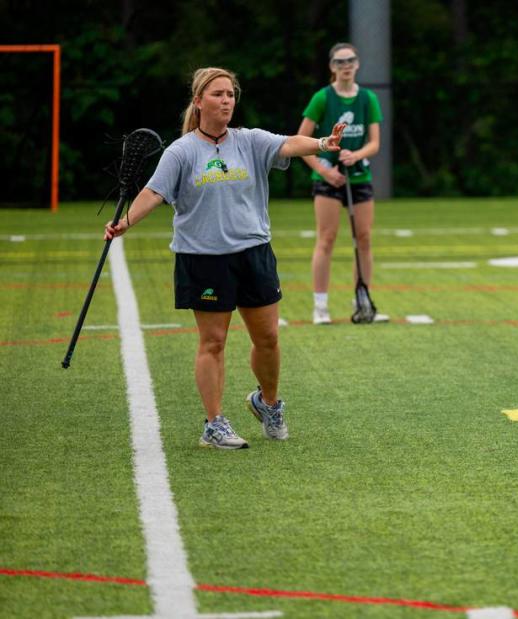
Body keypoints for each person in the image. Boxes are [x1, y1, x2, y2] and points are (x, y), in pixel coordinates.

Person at [104, 67, 345, 449]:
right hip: (204, 258)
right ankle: (213, 423)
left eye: (231, 94)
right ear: (199, 102)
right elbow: (153, 192)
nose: (227, 101)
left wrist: (321, 144)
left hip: (254, 252)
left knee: (267, 337)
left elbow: (288, 144)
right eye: (218, 94)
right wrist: (125, 222)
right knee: (213, 342)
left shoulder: (249, 141)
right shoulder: (181, 152)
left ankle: (267, 404)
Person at [297, 42, 386, 324]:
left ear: (357, 64)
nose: (345, 66)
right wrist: (325, 171)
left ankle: (362, 300)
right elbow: (301, 142)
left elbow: (374, 143)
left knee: (364, 238)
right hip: (328, 178)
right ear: (332, 67)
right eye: (339, 62)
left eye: (350, 61)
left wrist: (355, 154)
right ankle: (320, 306)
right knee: (327, 238)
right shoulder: (322, 98)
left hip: (359, 177)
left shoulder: (368, 98)